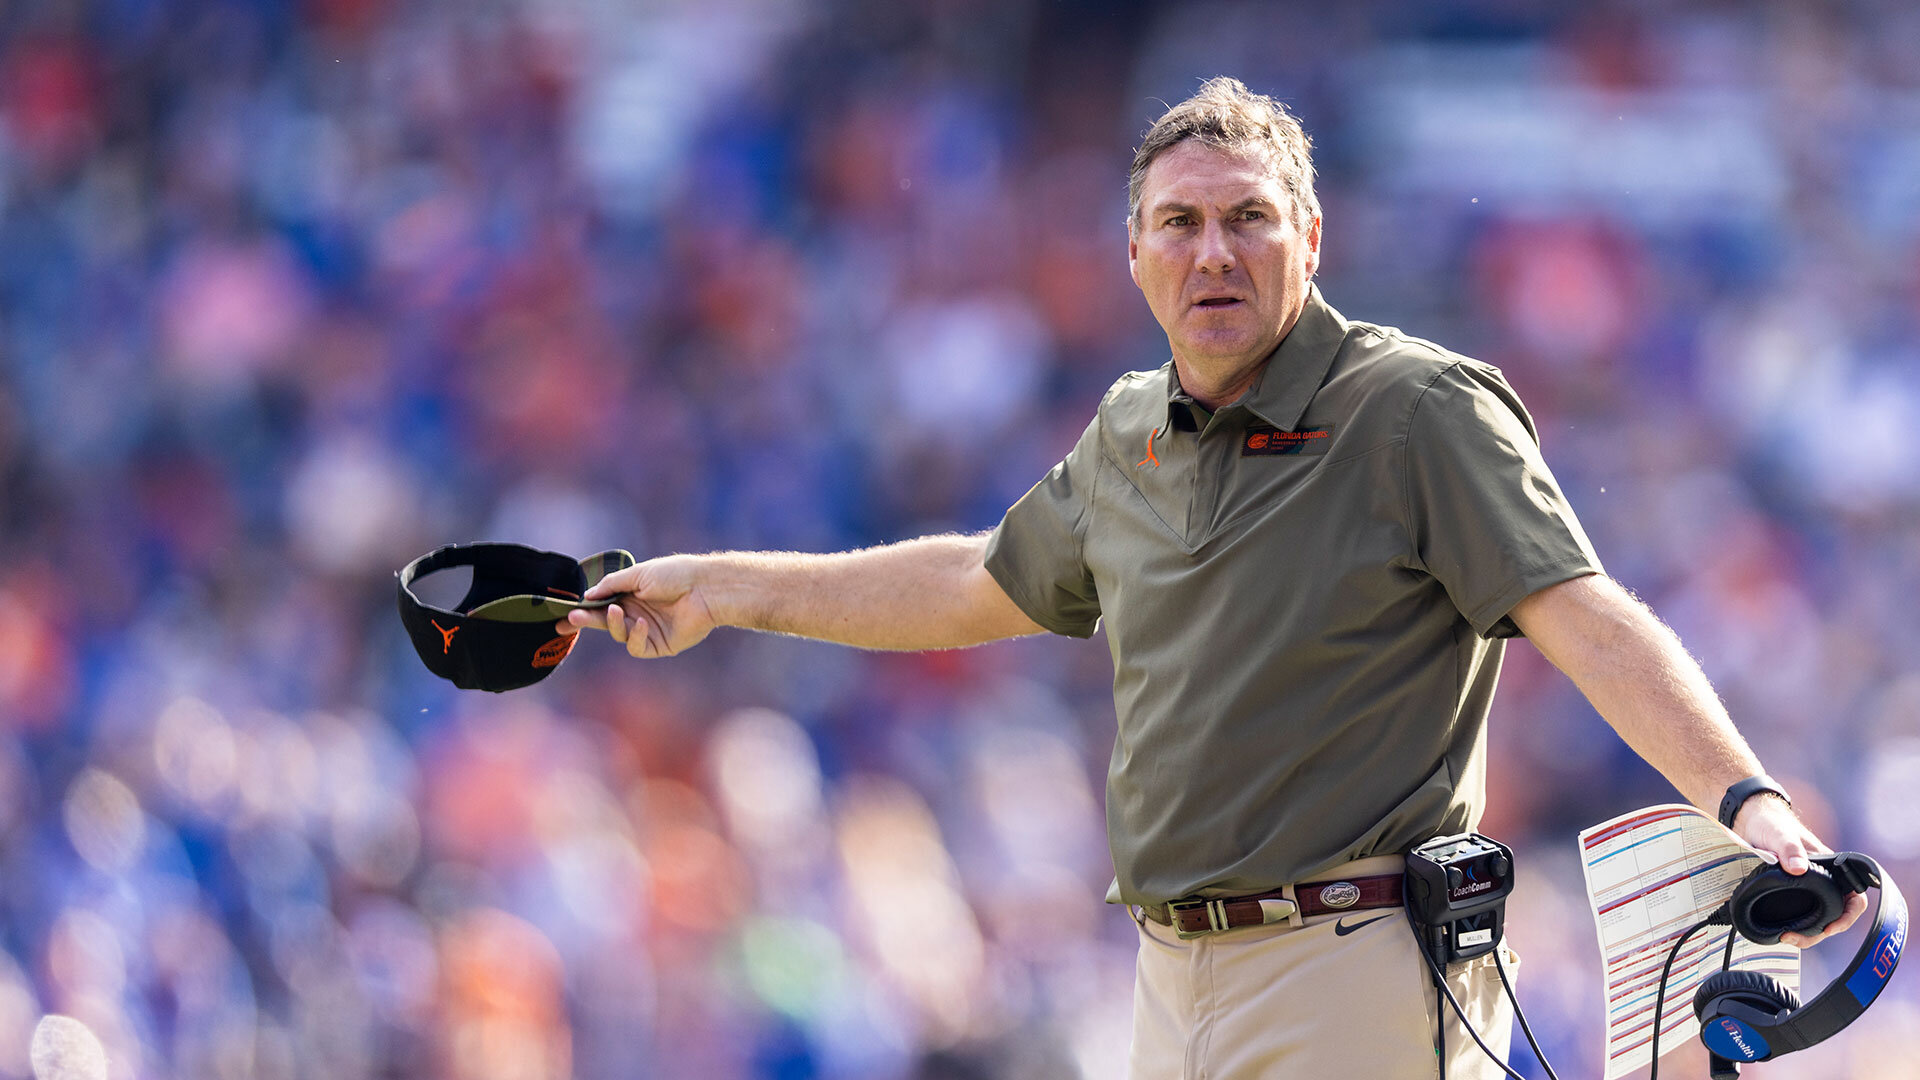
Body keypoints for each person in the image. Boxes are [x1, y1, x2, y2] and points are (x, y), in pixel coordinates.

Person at [555, 77, 1865, 1078]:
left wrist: (1747, 801)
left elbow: (1581, 612)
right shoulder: (1129, 430)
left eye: (1248, 219)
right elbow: (975, 584)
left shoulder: (1414, 409)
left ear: (1309, 233)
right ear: (1134, 254)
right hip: (1169, 977)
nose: (1213, 253)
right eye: (1178, 224)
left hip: (1353, 967)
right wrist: (727, 584)